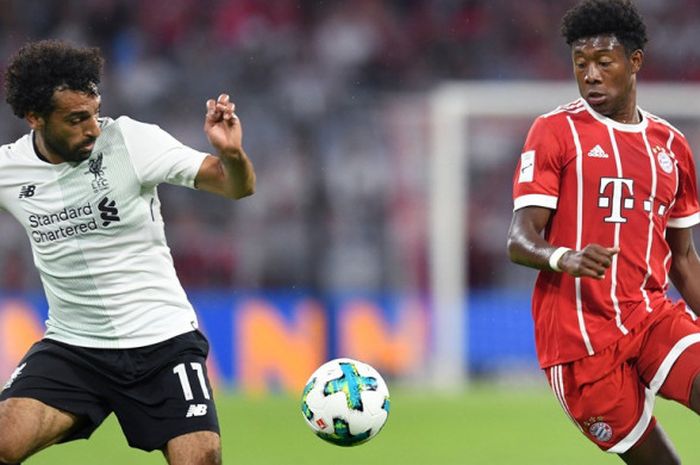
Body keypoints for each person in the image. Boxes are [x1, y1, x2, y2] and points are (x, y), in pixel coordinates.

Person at [0, 40, 255, 465]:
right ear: (35, 118)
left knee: (201, 458)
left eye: (95, 113)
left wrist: (231, 154)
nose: (93, 129)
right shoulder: (8, 171)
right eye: (77, 119)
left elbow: (236, 186)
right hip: (74, 347)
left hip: (163, 341)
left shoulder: (132, 141)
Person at [507, 1, 700, 464]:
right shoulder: (555, 132)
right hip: (580, 346)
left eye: (603, 62)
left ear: (634, 63)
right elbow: (519, 238)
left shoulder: (671, 146)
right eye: (581, 63)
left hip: (651, 317)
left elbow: (685, 259)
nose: (590, 74)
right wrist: (562, 257)